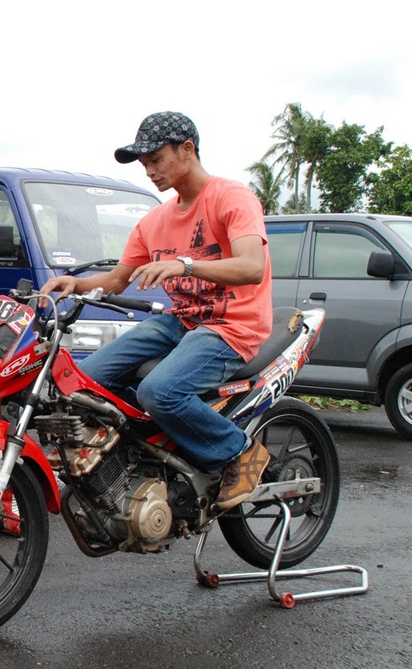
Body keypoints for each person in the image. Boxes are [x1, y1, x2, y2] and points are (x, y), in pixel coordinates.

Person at [40, 111, 273, 510]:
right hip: (180, 323)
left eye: (155, 160)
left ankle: (238, 451)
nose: (149, 171)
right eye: (144, 164)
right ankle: (156, 453)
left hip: (231, 326)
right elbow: (116, 281)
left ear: (187, 150)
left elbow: (252, 267)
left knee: (159, 392)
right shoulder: (154, 221)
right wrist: (74, 284)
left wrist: (185, 264)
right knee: (82, 382)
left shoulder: (231, 198)